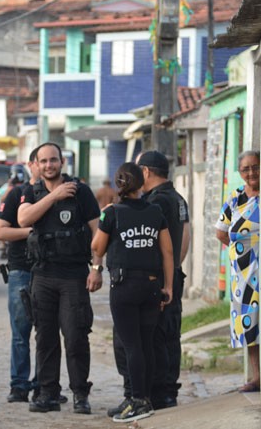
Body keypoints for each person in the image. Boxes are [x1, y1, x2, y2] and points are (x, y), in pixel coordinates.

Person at [17, 142, 102, 414]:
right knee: (45, 338)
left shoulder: (81, 192)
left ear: (62, 162)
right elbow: (23, 219)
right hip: (43, 275)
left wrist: (97, 268)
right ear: (37, 165)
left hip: (74, 275)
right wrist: (53, 197)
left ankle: (80, 393)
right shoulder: (32, 192)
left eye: (53, 160)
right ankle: (48, 393)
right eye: (43, 161)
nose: (49, 165)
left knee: (76, 336)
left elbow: (98, 233)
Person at [108, 150, 190, 415]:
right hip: (168, 278)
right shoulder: (177, 199)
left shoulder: (153, 204)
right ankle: (159, 394)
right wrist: (172, 272)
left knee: (141, 341)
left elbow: (157, 246)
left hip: (149, 281)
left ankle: (142, 395)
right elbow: (184, 239)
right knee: (165, 337)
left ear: (145, 172)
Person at [91, 162, 174, 423]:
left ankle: (138, 400)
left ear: (119, 185)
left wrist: (104, 217)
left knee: (132, 345)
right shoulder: (155, 211)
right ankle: (142, 398)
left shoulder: (112, 213)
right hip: (151, 286)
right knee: (146, 342)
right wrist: (168, 286)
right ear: (141, 184)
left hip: (124, 287)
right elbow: (167, 252)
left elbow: (98, 247)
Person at [0, 150, 41, 403]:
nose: (44, 166)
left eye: (51, 160)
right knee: (21, 332)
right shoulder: (15, 194)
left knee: (48, 333)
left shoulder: (63, 194)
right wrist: (30, 232)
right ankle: (19, 385)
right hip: (21, 271)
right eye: (39, 162)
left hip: (52, 272)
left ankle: (45, 385)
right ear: (31, 165)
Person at [215, 150, 260, 393]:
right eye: (246, 169)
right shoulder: (235, 198)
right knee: (249, 322)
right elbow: (221, 232)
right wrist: (241, 253)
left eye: (255, 167)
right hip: (242, 273)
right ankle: (257, 376)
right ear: (240, 173)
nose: (251, 173)